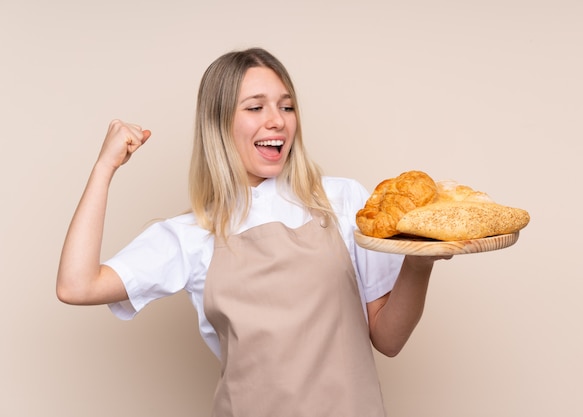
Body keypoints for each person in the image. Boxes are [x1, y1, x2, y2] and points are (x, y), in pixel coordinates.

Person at [57, 47, 450, 417]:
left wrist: (420, 264)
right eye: (255, 107)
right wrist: (104, 169)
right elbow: (77, 286)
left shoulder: (343, 200)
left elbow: (389, 340)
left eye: (286, 106)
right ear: (220, 122)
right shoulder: (194, 234)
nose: (277, 120)